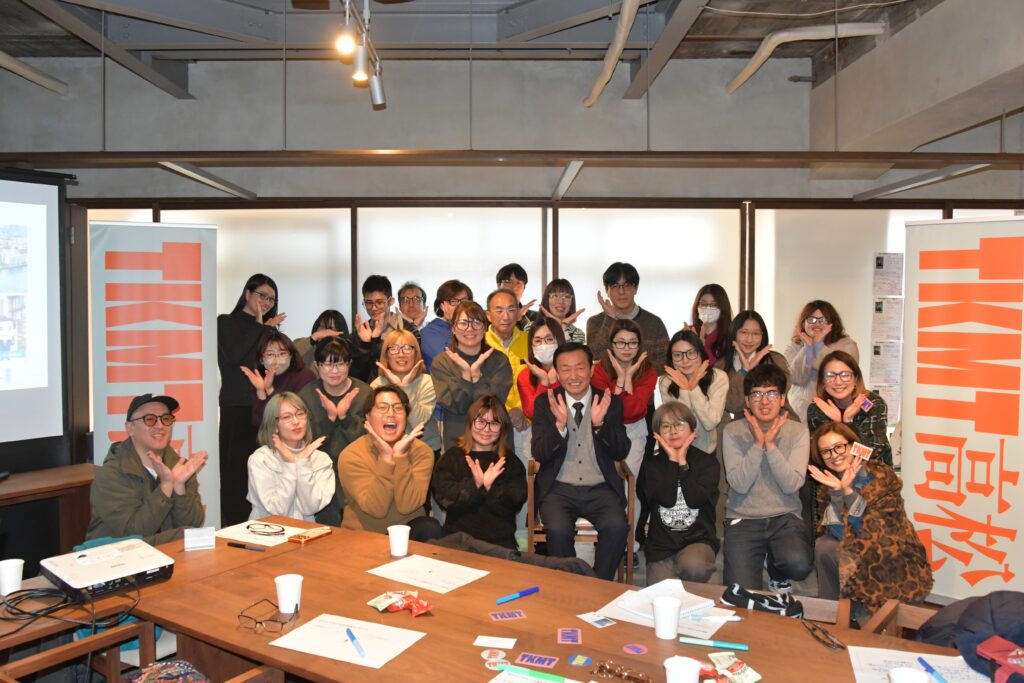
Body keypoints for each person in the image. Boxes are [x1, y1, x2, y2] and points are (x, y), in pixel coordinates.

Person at [809, 422, 933, 615]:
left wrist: (847, 491)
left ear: (853, 446)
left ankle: (869, 611)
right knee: (825, 546)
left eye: (839, 447)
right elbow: (839, 533)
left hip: (893, 557)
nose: (834, 455)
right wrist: (837, 492)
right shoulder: (828, 486)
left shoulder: (881, 476)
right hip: (860, 553)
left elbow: (872, 532)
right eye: (826, 451)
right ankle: (833, 613)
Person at [531, 342, 631, 580]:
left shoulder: (609, 401)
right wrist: (559, 426)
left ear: (591, 369)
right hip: (558, 489)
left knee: (617, 527)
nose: (573, 376)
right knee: (558, 530)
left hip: (601, 488)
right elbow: (540, 453)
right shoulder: (546, 403)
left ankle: (599, 585)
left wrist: (600, 425)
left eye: (580, 368)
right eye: (565, 369)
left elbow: (621, 451)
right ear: (557, 373)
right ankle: (572, 584)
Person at [721, 364, 812, 592]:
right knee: (740, 592)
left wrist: (770, 446)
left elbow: (792, 485)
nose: (764, 401)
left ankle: (775, 565)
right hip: (743, 516)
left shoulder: (798, 431)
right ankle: (763, 554)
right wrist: (757, 444)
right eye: (756, 394)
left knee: (799, 565)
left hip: (785, 515)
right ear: (747, 401)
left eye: (771, 393)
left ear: (782, 399)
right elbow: (739, 485)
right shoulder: (733, 431)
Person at [87, 393, 206, 544]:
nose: (160, 426)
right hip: (118, 554)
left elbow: (192, 527)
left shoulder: (180, 468)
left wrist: (179, 487)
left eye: (166, 419)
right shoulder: (111, 474)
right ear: (130, 428)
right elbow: (132, 534)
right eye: (150, 419)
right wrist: (165, 487)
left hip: (166, 552)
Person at [218, 274, 284, 525]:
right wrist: (260, 325)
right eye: (262, 296)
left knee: (265, 473)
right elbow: (235, 355)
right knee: (235, 474)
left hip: (265, 406)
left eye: (271, 299)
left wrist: (266, 329)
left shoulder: (267, 329)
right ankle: (234, 527)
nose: (266, 302)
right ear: (247, 294)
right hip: (237, 407)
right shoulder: (225, 322)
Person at [338, 386, 440, 537]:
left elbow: (408, 506)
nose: (391, 413)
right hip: (364, 535)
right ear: (368, 416)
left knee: (430, 527)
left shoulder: (422, 452)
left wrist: (400, 457)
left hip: (409, 530)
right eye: (382, 408)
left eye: (398, 408)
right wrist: (386, 459)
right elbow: (376, 509)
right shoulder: (352, 455)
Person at [431, 396, 527, 549]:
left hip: (500, 543)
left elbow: (517, 501)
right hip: (458, 541)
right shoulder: (451, 458)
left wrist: (491, 487)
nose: (486, 429)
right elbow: (444, 499)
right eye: (481, 422)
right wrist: (474, 485)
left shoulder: (510, 461)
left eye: (494, 423)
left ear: (502, 428)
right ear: (470, 422)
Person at [640, 401, 719, 585]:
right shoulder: (651, 465)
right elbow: (666, 500)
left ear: (692, 429)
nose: (673, 431)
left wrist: (683, 464)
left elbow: (695, 499)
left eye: (679, 424)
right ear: (657, 434)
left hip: (697, 540)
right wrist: (672, 461)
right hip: (661, 546)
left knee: (694, 567)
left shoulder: (707, 462)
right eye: (666, 426)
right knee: (659, 593)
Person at [297, 337, 371, 525]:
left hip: (359, 470)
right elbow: (304, 443)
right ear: (317, 366)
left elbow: (370, 441)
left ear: (349, 364)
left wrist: (345, 417)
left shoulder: (365, 393)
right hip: (320, 471)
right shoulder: (306, 396)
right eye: (328, 364)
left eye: (340, 364)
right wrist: (329, 419)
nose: (335, 371)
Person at [431, 300, 513, 450]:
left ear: (485, 328)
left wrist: (476, 377)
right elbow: (458, 406)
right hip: (457, 440)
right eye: (463, 323)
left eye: (476, 323)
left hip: (495, 442)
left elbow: (491, 406)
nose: (470, 329)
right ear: (453, 328)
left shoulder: (499, 360)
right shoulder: (442, 362)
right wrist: (465, 376)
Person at [247, 392, 335, 522]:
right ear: (274, 425)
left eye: (300, 414)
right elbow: (277, 510)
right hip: (266, 530)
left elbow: (310, 508)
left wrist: (303, 463)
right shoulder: (261, 459)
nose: (296, 421)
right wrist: (290, 465)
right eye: (287, 417)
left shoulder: (321, 459)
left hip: (305, 531)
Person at [592, 319, 657, 478]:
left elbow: (630, 411)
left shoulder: (648, 372)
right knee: (604, 483)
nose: (627, 348)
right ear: (612, 344)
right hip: (603, 430)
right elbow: (610, 413)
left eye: (632, 343)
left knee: (629, 485)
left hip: (635, 431)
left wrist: (627, 378)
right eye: (621, 342)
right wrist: (621, 378)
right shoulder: (598, 370)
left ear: (639, 345)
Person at [805, 350, 892, 465]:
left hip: (871, 471)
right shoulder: (817, 409)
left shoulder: (874, 404)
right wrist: (838, 424)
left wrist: (846, 423)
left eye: (845, 375)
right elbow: (818, 455)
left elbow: (872, 454)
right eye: (830, 375)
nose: (838, 382)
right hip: (832, 471)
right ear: (822, 382)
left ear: (856, 379)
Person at [783, 300, 859, 422]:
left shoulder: (847, 345)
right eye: (811, 319)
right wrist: (807, 348)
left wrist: (818, 345)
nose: (816, 324)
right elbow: (796, 378)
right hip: (799, 414)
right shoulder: (794, 347)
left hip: (835, 411)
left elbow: (841, 373)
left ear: (832, 323)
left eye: (822, 320)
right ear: (803, 323)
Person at [659, 329, 728, 454]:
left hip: (706, 449)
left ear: (701, 354)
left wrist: (693, 387)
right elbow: (679, 423)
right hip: (676, 448)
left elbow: (710, 423)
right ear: (671, 358)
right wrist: (685, 389)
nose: (685, 360)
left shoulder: (718, 377)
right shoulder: (666, 381)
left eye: (691, 353)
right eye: (678, 355)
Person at [371, 329, 440, 453]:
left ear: (416, 354)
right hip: (388, 449)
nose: (401, 354)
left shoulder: (427, 382)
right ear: (386, 355)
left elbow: (418, 423)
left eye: (407, 348)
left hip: (425, 448)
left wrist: (404, 388)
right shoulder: (377, 385)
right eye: (394, 348)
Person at [586, 262, 669, 365]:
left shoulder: (654, 323)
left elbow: (665, 362)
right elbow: (594, 355)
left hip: (646, 376)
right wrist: (610, 318)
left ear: (636, 288)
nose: (621, 291)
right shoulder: (595, 322)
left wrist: (633, 372)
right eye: (615, 285)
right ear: (607, 290)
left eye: (627, 285)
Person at [716, 310, 792, 420]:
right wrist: (744, 371)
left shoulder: (776, 360)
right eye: (744, 332)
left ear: (762, 335)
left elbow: (779, 395)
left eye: (755, 334)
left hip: (780, 420)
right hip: (742, 425)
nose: (749, 339)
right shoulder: (721, 366)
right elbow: (732, 405)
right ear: (734, 333)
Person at [484, 289, 530, 453]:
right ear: (488, 315)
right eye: (499, 311)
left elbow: (539, 381)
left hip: (526, 424)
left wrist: (522, 409)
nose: (506, 316)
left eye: (511, 310)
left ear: (518, 314)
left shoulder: (531, 341)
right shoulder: (479, 344)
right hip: (489, 426)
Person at [353, 274, 421, 383]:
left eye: (379, 302)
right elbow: (356, 376)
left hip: (402, 387)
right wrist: (365, 345)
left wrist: (375, 342)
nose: (374, 308)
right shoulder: (360, 333)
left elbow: (413, 367)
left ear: (391, 301)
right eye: (369, 303)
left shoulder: (408, 330)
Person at [242, 331, 315, 428]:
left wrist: (270, 390)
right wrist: (261, 392)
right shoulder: (259, 379)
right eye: (270, 354)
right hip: (269, 435)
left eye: (282, 354)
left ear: (291, 356)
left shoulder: (304, 376)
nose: (276, 360)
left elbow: (295, 420)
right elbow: (259, 422)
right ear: (261, 359)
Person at [517, 317, 565, 421]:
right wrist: (544, 383)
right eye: (538, 341)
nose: (544, 345)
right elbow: (532, 413)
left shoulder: (571, 370)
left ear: (559, 341)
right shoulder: (524, 376)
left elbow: (571, 408)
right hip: (542, 429)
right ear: (531, 345)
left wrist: (554, 382)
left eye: (549, 339)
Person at [420, 279, 473, 372]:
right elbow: (450, 362)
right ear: (442, 306)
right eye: (453, 301)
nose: (460, 306)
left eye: (464, 301)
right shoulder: (429, 332)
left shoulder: (475, 329)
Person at [688, 284, 733, 366]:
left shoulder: (730, 336)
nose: (708, 308)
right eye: (703, 304)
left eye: (714, 305)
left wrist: (702, 347)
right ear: (697, 306)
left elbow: (722, 368)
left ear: (722, 307)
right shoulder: (689, 331)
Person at [293, 309, 349, 373]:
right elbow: (289, 358)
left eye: (331, 328)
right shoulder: (302, 342)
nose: (325, 332)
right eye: (322, 327)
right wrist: (314, 337)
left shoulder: (345, 351)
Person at [532, 278, 586, 343]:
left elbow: (568, 350)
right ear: (546, 299)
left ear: (572, 302)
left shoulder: (577, 333)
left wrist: (563, 327)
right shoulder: (531, 327)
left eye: (566, 296)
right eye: (555, 296)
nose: (561, 301)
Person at [496, 263, 537, 329]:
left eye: (518, 283)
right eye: (508, 282)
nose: (514, 287)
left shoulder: (535, 317)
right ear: (499, 286)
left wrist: (522, 319)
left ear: (524, 288)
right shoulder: (487, 316)